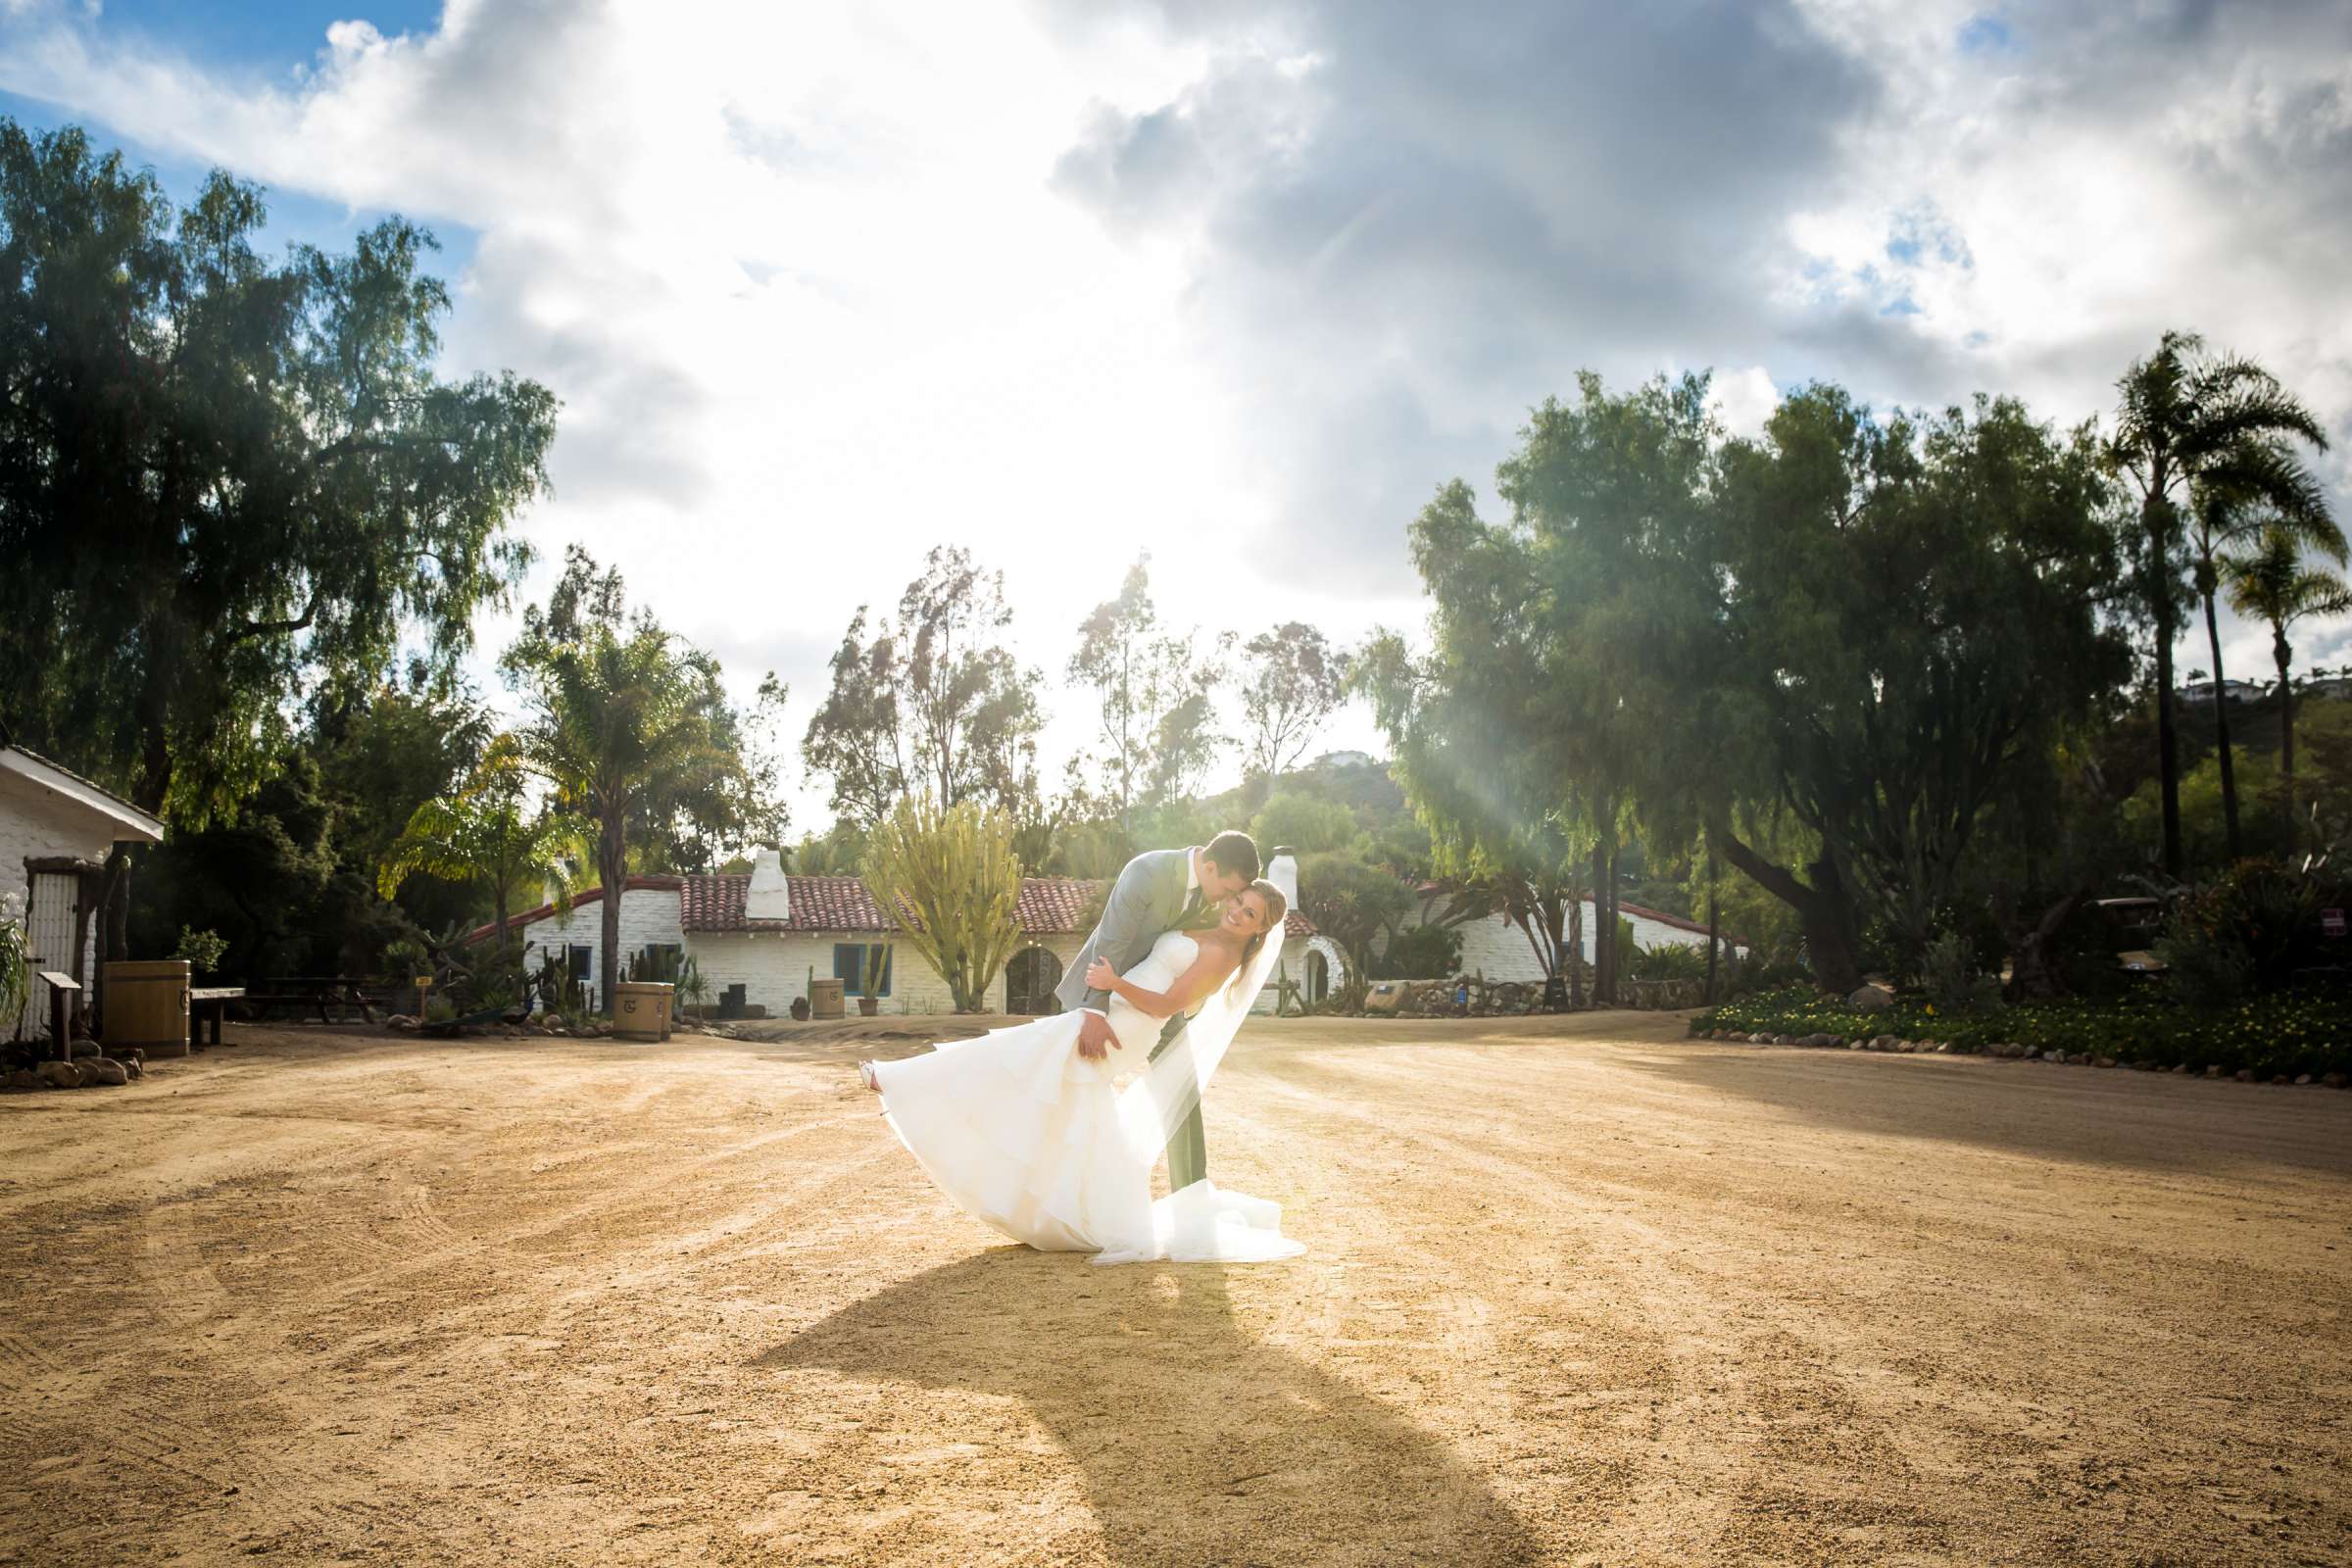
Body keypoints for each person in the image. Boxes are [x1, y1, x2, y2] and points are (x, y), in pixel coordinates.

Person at [857, 842, 1302, 1265]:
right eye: (1235, 899)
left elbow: (1170, 1005)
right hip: (1108, 1008)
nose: (1233, 909)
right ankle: (1075, 1214)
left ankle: (901, 1080)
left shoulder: (1224, 951)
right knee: (1056, 1091)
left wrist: (1113, 987)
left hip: (1129, 1022)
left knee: (1024, 1054)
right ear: (1214, 874)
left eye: (1248, 913)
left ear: (1261, 929)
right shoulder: (1176, 891)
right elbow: (1115, 937)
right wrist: (1099, 1000)